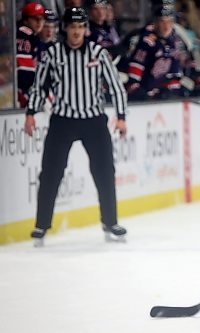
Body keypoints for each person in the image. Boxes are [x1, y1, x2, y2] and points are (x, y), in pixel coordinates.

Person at [24, 7, 128, 247]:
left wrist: (121, 116)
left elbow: (116, 86)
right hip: (63, 120)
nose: (76, 32)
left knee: (104, 172)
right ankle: (41, 225)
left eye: (81, 27)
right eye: (73, 27)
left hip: (93, 120)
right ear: (65, 29)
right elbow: (40, 87)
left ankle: (110, 222)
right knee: (51, 173)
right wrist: (31, 113)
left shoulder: (98, 53)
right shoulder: (52, 54)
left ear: (85, 29)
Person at [125, 5, 189, 100]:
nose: (166, 26)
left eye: (169, 21)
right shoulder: (147, 41)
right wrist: (134, 86)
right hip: (148, 88)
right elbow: (136, 65)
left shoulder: (175, 41)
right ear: (155, 23)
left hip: (165, 87)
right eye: (162, 21)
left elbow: (175, 71)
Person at [16, 2, 45, 108]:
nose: (39, 22)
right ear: (26, 20)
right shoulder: (27, 35)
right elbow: (25, 73)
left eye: (41, 18)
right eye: (35, 18)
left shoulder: (31, 36)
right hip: (18, 90)